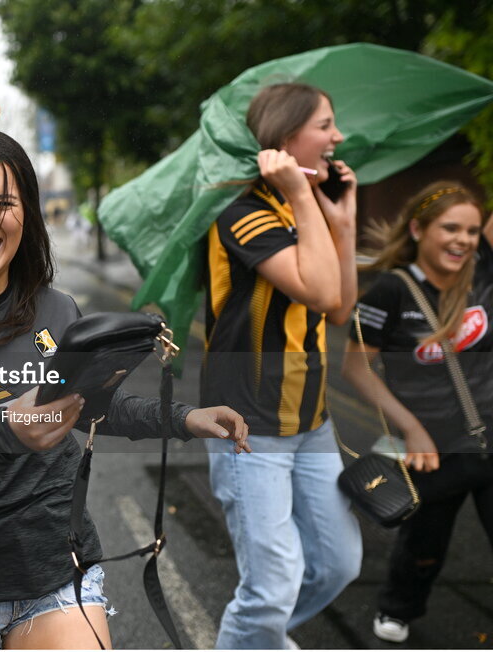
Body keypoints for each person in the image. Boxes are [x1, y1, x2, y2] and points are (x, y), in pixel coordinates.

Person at [0, 127, 251, 650]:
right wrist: (6, 431)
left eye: (4, 202)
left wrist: (182, 418)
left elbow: (88, 406)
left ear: (27, 214)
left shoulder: (56, 310)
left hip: (57, 576)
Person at [200, 82, 363, 649]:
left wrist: (343, 219)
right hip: (249, 425)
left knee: (338, 565)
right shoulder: (243, 212)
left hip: (311, 421)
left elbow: (340, 307)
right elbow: (319, 290)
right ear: (287, 137)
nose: (337, 137)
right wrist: (298, 192)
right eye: (325, 124)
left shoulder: (306, 209)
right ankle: (256, 634)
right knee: (271, 587)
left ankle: (259, 638)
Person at [342, 182, 493, 643]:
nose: (463, 240)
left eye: (470, 230)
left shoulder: (482, 269)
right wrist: (413, 429)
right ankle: (397, 608)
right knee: (424, 544)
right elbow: (355, 369)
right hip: (432, 450)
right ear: (417, 229)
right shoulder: (389, 291)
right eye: (449, 228)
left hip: (489, 439)